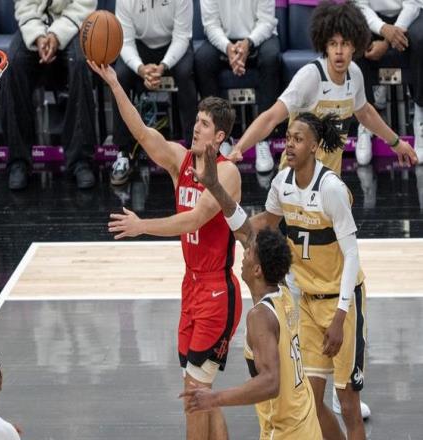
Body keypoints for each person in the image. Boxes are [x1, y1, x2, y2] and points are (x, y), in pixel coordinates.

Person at [89, 60, 242, 440]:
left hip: (217, 291)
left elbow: (194, 220)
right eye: (196, 121)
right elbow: (142, 133)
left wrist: (142, 226)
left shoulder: (227, 173)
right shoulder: (180, 160)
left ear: (219, 136)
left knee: (193, 394)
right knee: (201, 390)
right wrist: (115, 84)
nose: (195, 127)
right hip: (191, 287)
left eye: (204, 124)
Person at [180, 144, 322, 439]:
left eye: (248, 254)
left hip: (286, 432)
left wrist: (215, 398)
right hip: (306, 421)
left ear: (257, 270)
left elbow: (271, 382)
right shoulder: (281, 290)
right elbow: (245, 230)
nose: (242, 255)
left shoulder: (259, 317)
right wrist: (215, 186)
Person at [247, 111, 368, 439]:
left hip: (342, 302)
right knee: (310, 401)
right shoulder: (281, 183)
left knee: (348, 403)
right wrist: (223, 218)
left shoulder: (331, 189)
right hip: (308, 303)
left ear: (314, 146)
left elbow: (352, 255)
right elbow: (263, 226)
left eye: (298, 139)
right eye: (288, 138)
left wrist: (340, 316)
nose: (289, 145)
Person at [229, 0, 418, 173]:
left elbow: (365, 113)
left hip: (328, 180)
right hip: (295, 181)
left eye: (345, 44)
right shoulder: (310, 76)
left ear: (355, 46)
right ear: (325, 46)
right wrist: (239, 148)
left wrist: (396, 143)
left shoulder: (354, 73)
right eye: (333, 44)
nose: (339, 51)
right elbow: (270, 117)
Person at [0, 0, 97, 190]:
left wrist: (56, 35)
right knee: (13, 63)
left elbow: (84, 5)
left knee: (79, 62)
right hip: (35, 26)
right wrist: (38, 36)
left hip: (72, 26)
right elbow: (24, 5)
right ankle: (18, 161)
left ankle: (80, 161)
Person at [110, 0, 197, 186]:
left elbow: (182, 37)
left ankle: (193, 152)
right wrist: (141, 69)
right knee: (120, 76)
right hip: (139, 46)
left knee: (185, 73)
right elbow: (125, 42)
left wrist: (163, 66)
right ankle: (123, 153)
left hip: (173, 43)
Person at [194, 0, 281, 173]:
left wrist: (248, 43)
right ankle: (222, 140)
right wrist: (228, 47)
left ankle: (263, 140)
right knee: (202, 60)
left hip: (258, 38)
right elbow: (211, 25)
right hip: (223, 41)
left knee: (271, 58)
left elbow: (266, 21)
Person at [355, 0, 423, 164]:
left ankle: (420, 115)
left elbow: (413, 3)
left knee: (421, 39)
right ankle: (365, 121)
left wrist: (387, 41)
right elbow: (360, 5)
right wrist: (383, 29)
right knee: (353, 36)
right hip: (373, 19)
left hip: (410, 15)